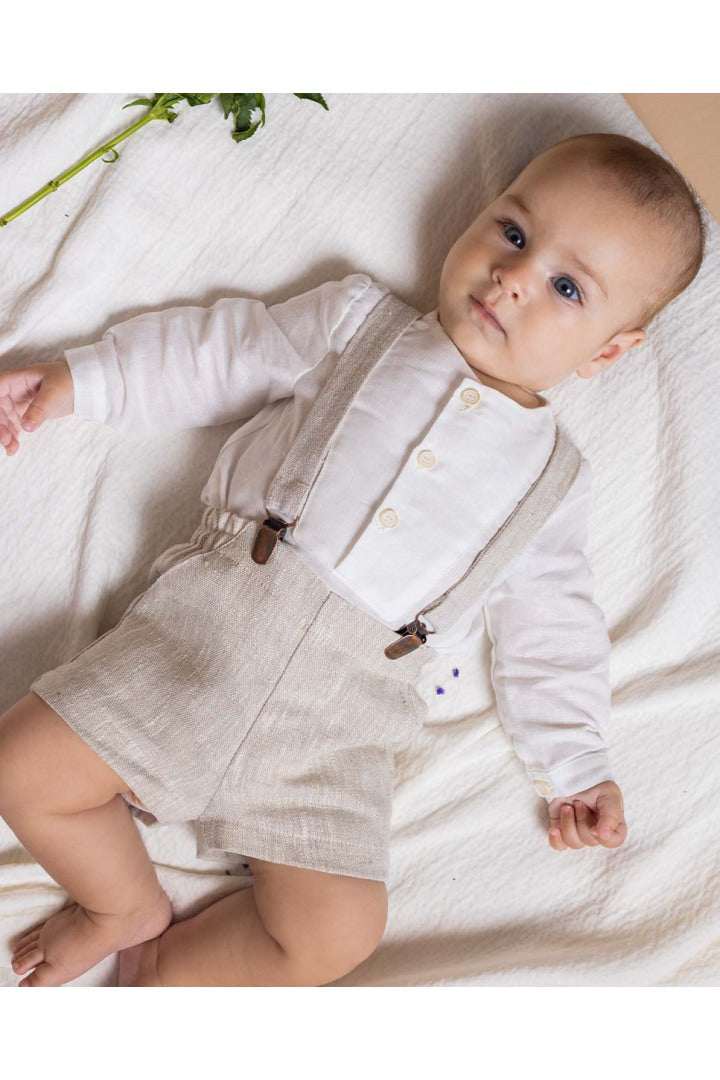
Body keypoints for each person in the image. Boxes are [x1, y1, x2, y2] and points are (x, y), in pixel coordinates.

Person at [0, 131, 706, 987]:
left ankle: (171, 977)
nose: (514, 276)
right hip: (206, 635)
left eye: (567, 287)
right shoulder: (357, 324)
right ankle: (121, 905)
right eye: (514, 233)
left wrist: (577, 766)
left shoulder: (552, 485)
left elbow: (552, 627)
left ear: (608, 351)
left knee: (338, 933)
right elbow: (218, 355)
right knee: (20, 766)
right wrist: (83, 381)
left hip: (339, 728)